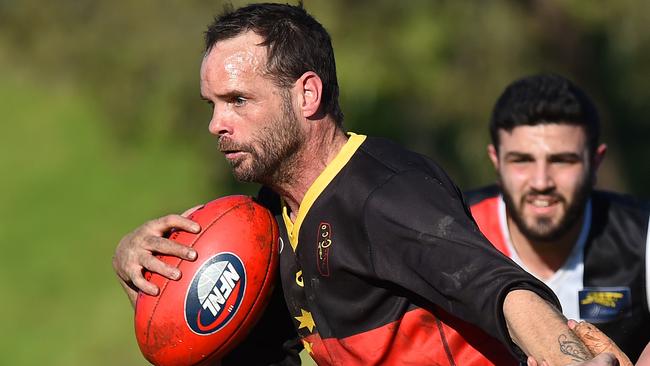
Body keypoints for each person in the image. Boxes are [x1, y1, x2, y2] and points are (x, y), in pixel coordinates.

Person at [113, 4, 616, 366]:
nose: (216, 124)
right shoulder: (270, 220)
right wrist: (139, 266)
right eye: (212, 105)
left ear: (307, 95)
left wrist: (564, 357)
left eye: (238, 100)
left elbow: (498, 287)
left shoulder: (384, 193)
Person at [466, 73, 650, 363]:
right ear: (496, 161)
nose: (541, 181)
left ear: (596, 162)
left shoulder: (644, 236)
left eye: (562, 160)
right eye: (522, 160)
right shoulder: (458, 232)